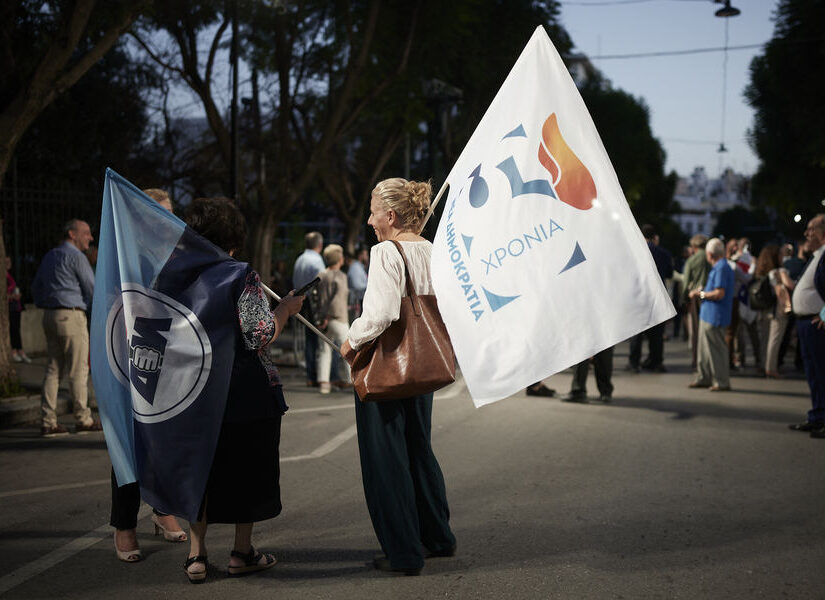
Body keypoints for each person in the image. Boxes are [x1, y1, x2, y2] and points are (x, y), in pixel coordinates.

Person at [182, 197, 304, 582]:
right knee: (249, 469)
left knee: (200, 471)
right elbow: (259, 335)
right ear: (233, 237)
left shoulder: (176, 275)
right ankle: (241, 552)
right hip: (244, 390)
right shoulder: (239, 276)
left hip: (194, 388)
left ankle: (196, 555)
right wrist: (285, 309)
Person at [341, 178, 456, 576]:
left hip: (387, 368)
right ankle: (438, 536)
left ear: (390, 215)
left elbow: (382, 313)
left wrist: (350, 342)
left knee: (385, 460)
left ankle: (404, 552)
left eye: (373, 211)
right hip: (424, 363)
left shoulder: (386, 252)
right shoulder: (431, 250)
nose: (370, 220)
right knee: (419, 448)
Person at [110, 188, 187, 563]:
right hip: (131, 356)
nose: (167, 219)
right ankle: (124, 525)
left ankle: (161, 509)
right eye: (159, 213)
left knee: (164, 437)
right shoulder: (126, 256)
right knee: (129, 440)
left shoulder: (176, 254)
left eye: (170, 212)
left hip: (169, 355)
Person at [32, 219, 102, 437]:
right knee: (78, 370)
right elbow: (93, 289)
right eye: (86, 233)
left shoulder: (50, 256)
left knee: (53, 369)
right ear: (72, 234)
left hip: (50, 315)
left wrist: (47, 303)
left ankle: (48, 422)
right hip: (72, 315)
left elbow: (36, 287)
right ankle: (83, 419)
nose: (90, 238)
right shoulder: (77, 257)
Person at [787, 214, 825, 437]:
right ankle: (817, 416)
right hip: (806, 323)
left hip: (816, 324)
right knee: (813, 374)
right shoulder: (817, 255)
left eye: (811, 229)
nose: (806, 233)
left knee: (821, 373)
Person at [688, 237, 734, 391]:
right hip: (710, 314)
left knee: (715, 350)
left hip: (715, 315)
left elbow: (719, 293)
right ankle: (705, 377)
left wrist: (700, 294)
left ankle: (720, 381)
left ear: (710, 254)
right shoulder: (720, 267)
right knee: (706, 349)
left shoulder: (721, 268)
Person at [627, 224, 673, 373]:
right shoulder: (664, 253)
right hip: (657, 296)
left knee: (637, 332)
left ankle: (634, 362)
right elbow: (670, 274)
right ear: (655, 237)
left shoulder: (634, 251)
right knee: (657, 333)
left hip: (639, 296)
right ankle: (656, 361)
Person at [753, 244, 795, 378]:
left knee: (765, 338)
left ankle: (763, 364)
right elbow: (790, 285)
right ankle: (771, 368)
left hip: (765, 307)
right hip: (778, 308)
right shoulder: (779, 271)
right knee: (775, 339)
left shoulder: (763, 271)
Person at [316, 244, 351, 394]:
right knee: (348, 349)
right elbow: (337, 300)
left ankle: (324, 382)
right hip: (338, 318)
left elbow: (316, 297)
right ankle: (352, 379)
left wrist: (322, 316)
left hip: (323, 318)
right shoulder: (341, 276)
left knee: (324, 350)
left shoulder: (321, 275)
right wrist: (330, 315)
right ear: (338, 258)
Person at [293, 232, 325, 386]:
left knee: (308, 338)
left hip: (300, 299)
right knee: (318, 338)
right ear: (319, 245)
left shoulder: (299, 260)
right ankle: (318, 374)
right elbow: (321, 282)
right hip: (313, 301)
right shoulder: (317, 260)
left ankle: (310, 375)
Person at [681, 234, 710, 369]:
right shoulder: (711, 258)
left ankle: (696, 360)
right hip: (709, 296)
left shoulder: (691, 260)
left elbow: (686, 282)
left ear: (694, 246)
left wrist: (683, 298)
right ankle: (707, 360)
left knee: (695, 331)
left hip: (695, 298)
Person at [6, 255, 30, 363]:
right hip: (10, 307)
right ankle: (14, 351)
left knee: (17, 329)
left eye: (9, 261)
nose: (8, 264)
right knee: (12, 329)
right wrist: (11, 297)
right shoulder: (4, 277)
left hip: (16, 307)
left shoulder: (11, 275)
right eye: (6, 262)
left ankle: (20, 350)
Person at [346, 246, 369, 320]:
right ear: (360, 255)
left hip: (359, 303)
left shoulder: (359, 267)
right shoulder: (356, 268)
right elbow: (357, 286)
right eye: (366, 254)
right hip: (356, 304)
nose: (367, 257)